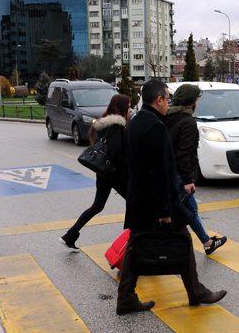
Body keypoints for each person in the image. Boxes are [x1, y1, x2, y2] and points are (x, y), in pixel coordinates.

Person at [116, 80, 226, 315]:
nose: (168, 102)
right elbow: (159, 171)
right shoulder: (155, 126)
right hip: (156, 202)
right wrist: (165, 211)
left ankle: (126, 297)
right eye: (167, 98)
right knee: (183, 240)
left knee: (136, 246)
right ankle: (195, 292)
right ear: (159, 99)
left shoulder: (135, 122)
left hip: (140, 199)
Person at [60, 94, 131, 250]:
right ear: (122, 107)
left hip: (103, 172)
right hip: (115, 174)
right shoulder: (117, 126)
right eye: (128, 106)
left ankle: (71, 234)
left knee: (97, 206)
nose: (130, 109)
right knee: (134, 203)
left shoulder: (103, 123)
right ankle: (133, 241)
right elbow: (116, 153)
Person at [164, 84, 227, 255]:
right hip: (180, 176)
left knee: (190, 210)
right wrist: (187, 180)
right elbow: (184, 154)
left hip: (167, 173)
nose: (198, 102)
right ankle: (198, 244)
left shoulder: (166, 117)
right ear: (192, 102)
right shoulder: (188, 122)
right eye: (197, 99)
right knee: (186, 212)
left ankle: (206, 241)